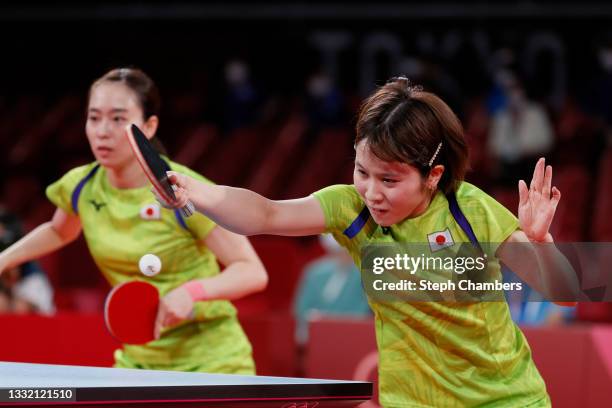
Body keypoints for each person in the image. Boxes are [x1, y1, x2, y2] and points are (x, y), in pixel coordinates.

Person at [161, 77, 579, 407]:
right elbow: (265, 214)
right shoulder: (353, 210)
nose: (372, 191)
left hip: (502, 401)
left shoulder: (468, 210)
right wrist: (199, 193)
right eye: (362, 171)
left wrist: (541, 242)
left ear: (432, 176)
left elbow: (565, 294)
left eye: (389, 180)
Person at [0, 67, 268, 374]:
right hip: (139, 362)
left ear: (149, 127)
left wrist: (192, 292)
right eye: (94, 117)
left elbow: (252, 271)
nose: (102, 130)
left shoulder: (184, 191)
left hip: (214, 364)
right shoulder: (81, 187)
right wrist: (4, 259)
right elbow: (59, 231)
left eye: (117, 119)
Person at [293, 233, 370, 345]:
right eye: (337, 253)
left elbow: (363, 313)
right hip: (316, 339)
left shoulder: (364, 274)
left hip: (352, 339)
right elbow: (301, 309)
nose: (342, 257)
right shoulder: (314, 272)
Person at [0, 209, 55, 314]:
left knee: (20, 307)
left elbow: (12, 276)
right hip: (9, 292)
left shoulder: (33, 276)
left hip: (29, 289)